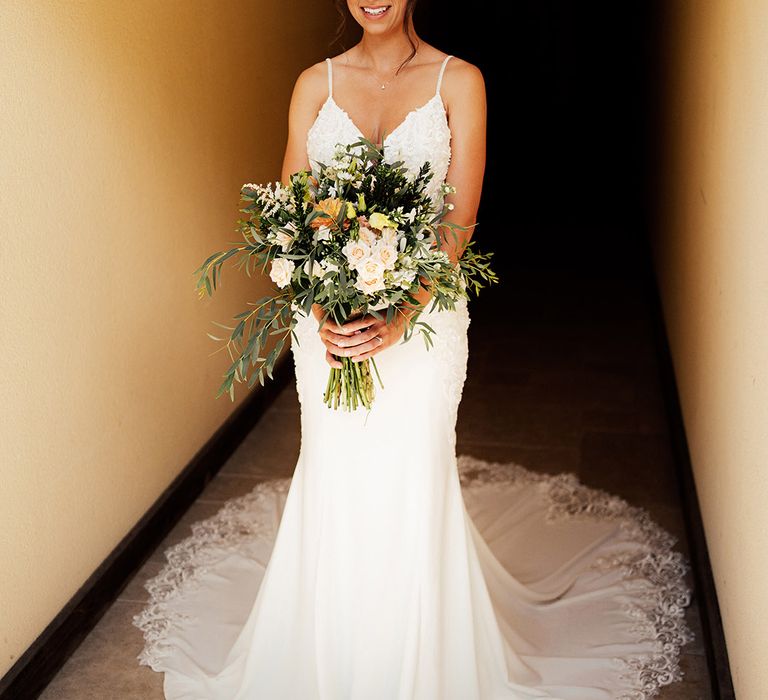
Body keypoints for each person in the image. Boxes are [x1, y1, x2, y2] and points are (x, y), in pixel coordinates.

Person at [133, 2, 695, 698]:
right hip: (328, 327)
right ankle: (324, 658)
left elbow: (457, 221)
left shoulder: (459, 81)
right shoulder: (315, 84)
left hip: (424, 321)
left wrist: (399, 313)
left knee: (412, 470)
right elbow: (290, 213)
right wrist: (320, 304)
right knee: (334, 468)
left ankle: (424, 667)